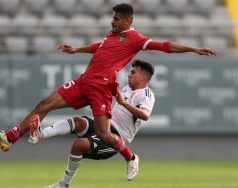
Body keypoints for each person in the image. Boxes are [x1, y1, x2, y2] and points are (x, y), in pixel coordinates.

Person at [0, 2, 218, 176]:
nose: (113, 21)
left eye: (117, 19)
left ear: (128, 20)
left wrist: (194, 49)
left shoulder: (135, 38)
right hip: (84, 81)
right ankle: (9, 137)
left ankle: (131, 157)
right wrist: (76, 50)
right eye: (113, 18)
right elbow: (99, 47)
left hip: (101, 88)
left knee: (105, 135)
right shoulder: (111, 36)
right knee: (44, 104)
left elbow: (165, 46)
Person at [36, 59, 155, 187]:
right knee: (78, 122)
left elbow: (145, 115)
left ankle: (64, 183)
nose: (128, 75)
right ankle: (41, 134)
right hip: (105, 126)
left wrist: (123, 103)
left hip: (116, 137)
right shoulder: (126, 89)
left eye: (133, 72)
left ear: (143, 76)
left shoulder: (147, 94)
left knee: (78, 145)